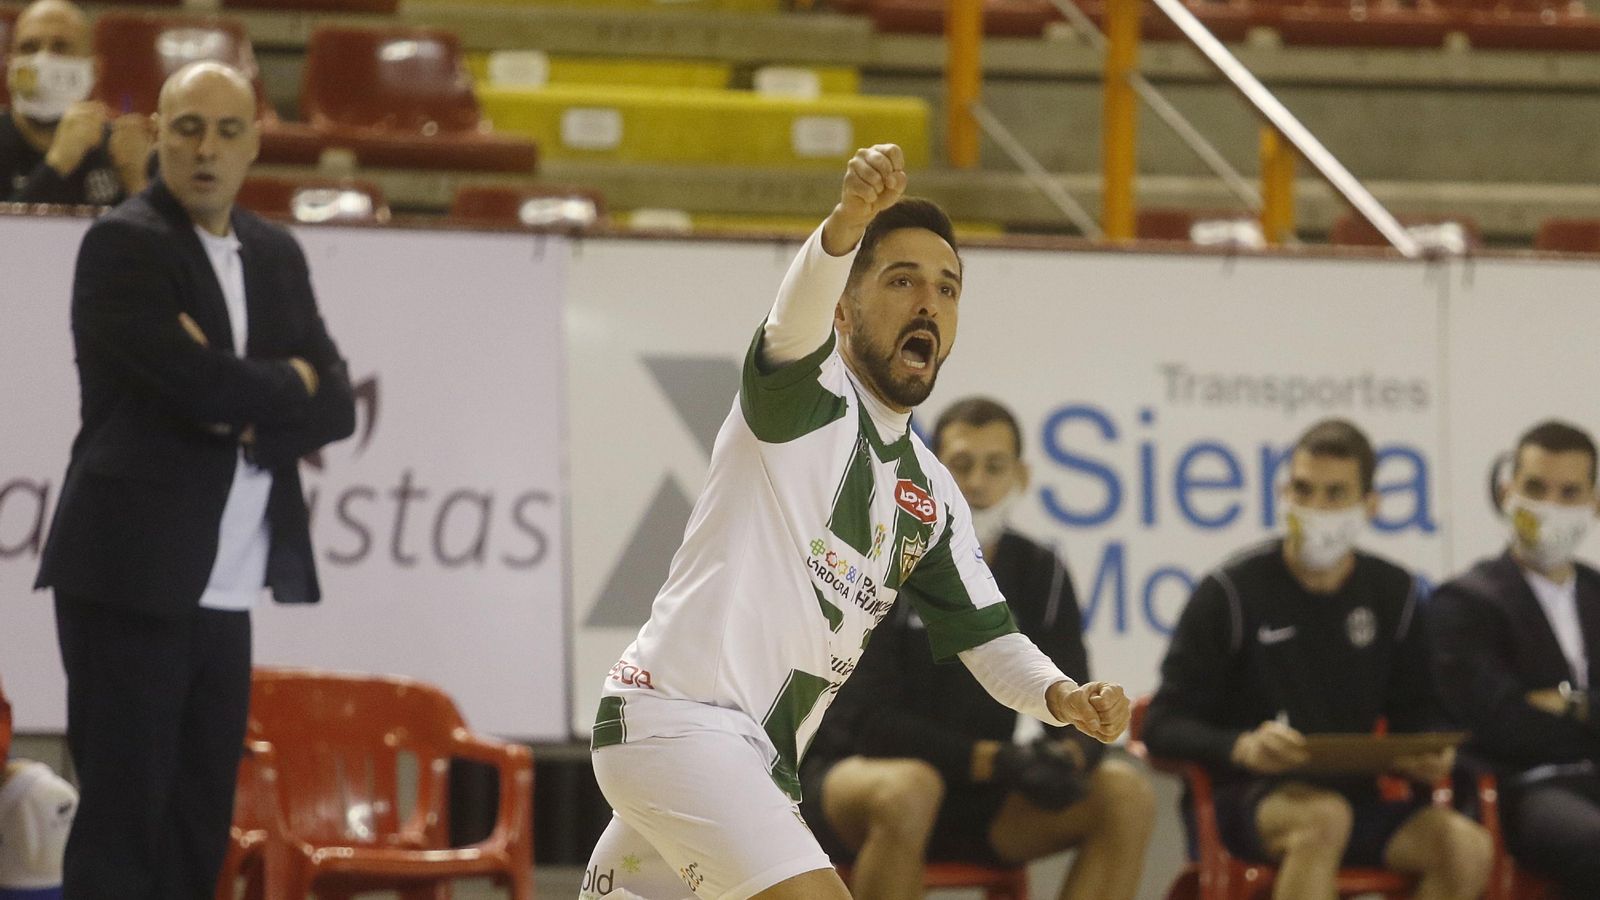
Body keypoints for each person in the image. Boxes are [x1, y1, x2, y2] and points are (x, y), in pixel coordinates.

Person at [580, 145, 1130, 900]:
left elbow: (990, 639)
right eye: (901, 280)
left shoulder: (932, 492)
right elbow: (793, 309)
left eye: (947, 288)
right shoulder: (800, 399)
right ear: (844, 306)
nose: (927, 303)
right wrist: (846, 224)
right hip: (679, 724)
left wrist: (1061, 697)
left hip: (752, 761)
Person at [33, 61, 354, 899]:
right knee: (122, 823)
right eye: (186, 128)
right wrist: (281, 385)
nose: (205, 149)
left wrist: (243, 388)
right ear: (158, 139)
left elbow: (338, 404)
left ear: (254, 142)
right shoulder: (124, 244)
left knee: (197, 825)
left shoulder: (275, 252)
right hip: (128, 574)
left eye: (225, 130)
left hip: (227, 584)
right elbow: (194, 384)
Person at [797, 396, 1155, 900]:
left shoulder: (1042, 571)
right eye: (962, 465)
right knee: (911, 789)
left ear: (1022, 476)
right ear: (931, 471)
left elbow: (1069, 686)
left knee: (1125, 792)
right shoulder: (880, 553)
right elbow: (866, 722)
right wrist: (993, 759)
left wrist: (1072, 753)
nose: (979, 483)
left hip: (978, 793)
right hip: (857, 777)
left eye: (995, 466)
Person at [1143, 418, 1491, 900]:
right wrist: (1241, 745)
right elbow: (1162, 722)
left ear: (1370, 505)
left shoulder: (1395, 592)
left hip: (1359, 798)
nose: (1314, 508)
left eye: (1335, 494)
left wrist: (1429, 753)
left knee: (1465, 845)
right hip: (1250, 798)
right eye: (1302, 490)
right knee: (1324, 819)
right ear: (1283, 493)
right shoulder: (1230, 591)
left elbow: (1421, 708)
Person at [1428, 420, 1600, 899]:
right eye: (1536, 488)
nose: (1550, 506)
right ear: (1507, 494)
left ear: (1594, 504)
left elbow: (1526, 712)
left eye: (1569, 493)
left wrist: (1569, 704)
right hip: (1525, 791)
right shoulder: (1463, 602)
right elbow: (1498, 722)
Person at [1, 0, 151, 204]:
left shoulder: (118, 151)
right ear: (10, 67)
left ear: (94, 70)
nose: (43, 59)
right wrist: (57, 164)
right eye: (29, 47)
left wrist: (136, 182)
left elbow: (155, 235)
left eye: (60, 47)